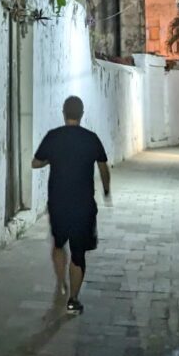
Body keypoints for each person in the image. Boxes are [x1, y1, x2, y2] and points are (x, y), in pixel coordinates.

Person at [31, 95, 111, 314]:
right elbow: (103, 168)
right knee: (78, 253)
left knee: (58, 244)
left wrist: (51, 159)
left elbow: (35, 163)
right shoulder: (91, 138)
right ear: (82, 114)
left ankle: (61, 282)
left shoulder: (53, 137)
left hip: (58, 203)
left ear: (63, 113)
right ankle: (73, 300)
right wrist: (106, 190)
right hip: (83, 205)